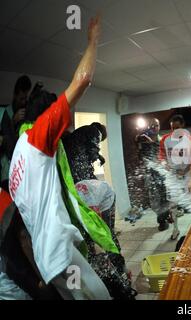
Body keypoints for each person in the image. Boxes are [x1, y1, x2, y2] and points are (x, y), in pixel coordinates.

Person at [8, 15, 111, 299]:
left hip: (47, 258)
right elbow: (83, 80)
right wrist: (93, 40)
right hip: (59, 253)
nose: (65, 125)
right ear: (46, 116)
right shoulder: (38, 136)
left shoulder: (18, 153)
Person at [0, 75, 32, 184]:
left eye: (26, 99)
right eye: (21, 98)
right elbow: (6, 141)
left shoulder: (28, 111)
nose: (23, 102)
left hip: (24, 169)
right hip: (8, 170)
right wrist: (13, 122)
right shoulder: (5, 113)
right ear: (15, 95)